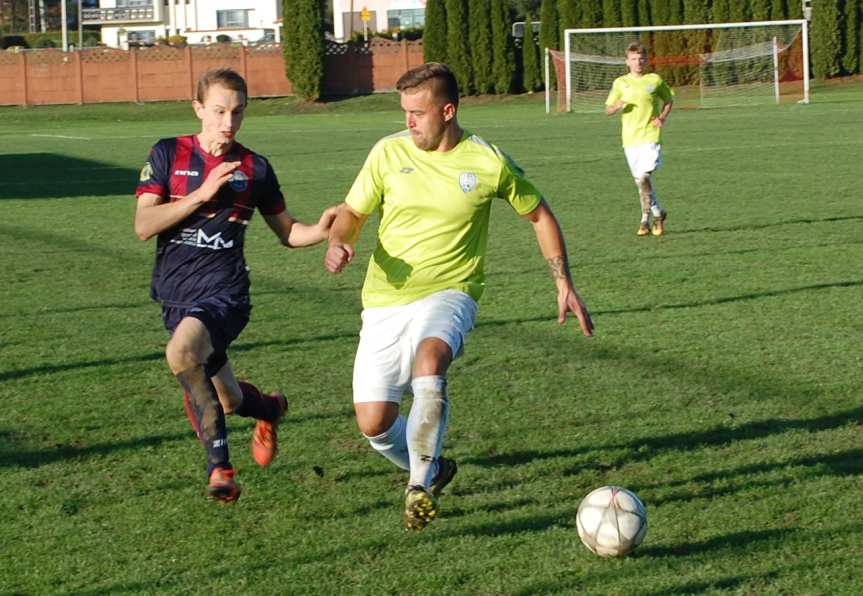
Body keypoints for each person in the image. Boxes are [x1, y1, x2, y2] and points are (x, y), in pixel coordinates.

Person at [324, 62, 594, 530]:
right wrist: (340, 240)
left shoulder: (487, 162)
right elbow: (351, 211)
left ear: (448, 111)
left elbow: (540, 216)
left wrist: (562, 281)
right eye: (405, 112)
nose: (408, 123)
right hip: (385, 301)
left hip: (452, 292)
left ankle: (419, 487)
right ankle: (434, 467)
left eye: (418, 113)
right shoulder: (387, 153)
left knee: (430, 361)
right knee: (373, 424)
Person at [134, 68, 336, 503]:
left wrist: (320, 229)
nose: (229, 123)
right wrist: (199, 196)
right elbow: (144, 224)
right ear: (198, 108)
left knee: (182, 353)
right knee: (226, 399)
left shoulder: (255, 168)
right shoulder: (168, 154)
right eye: (220, 111)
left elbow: (288, 233)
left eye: (238, 112)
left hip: (225, 296)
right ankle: (268, 409)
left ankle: (220, 468)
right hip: (175, 296)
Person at [605, 41, 674, 237]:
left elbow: (668, 100)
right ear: (627, 61)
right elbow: (608, 109)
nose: (638, 62)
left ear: (646, 60)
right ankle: (656, 215)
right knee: (641, 183)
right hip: (629, 139)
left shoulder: (654, 80)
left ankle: (645, 219)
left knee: (644, 177)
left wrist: (662, 118)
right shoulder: (620, 83)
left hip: (650, 136)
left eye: (641, 59)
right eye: (634, 59)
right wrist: (617, 106)